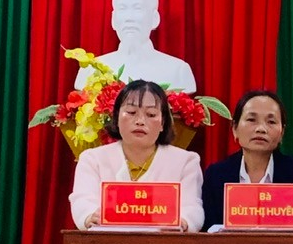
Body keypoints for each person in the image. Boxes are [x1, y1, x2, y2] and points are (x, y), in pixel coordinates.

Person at [69, 80, 205, 232]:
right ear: (117, 118)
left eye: (151, 114)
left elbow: (192, 208)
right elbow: (83, 201)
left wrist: (184, 222)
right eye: (131, 112)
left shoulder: (185, 162)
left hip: (165, 243)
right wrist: (89, 217)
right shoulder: (92, 159)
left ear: (163, 123)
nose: (140, 121)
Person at [201, 90, 293, 230]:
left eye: (271, 122)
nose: (261, 129)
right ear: (235, 129)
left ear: (282, 132)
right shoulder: (216, 175)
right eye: (251, 120)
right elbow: (209, 231)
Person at [75, 0, 197, 92]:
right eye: (122, 9)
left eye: (138, 9)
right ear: (113, 20)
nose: (129, 18)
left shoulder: (178, 70)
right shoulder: (90, 70)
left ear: (155, 18)